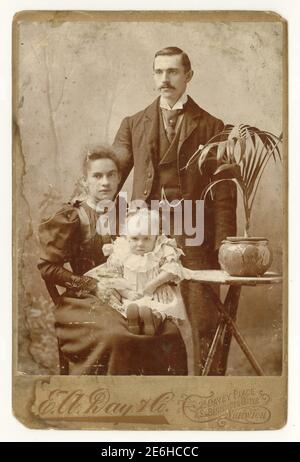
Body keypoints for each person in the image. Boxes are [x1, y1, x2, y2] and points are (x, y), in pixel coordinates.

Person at [113, 46, 237, 374]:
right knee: (148, 325)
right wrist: (91, 214)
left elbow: (224, 194)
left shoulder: (213, 127)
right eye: (158, 72)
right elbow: (108, 179)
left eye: (172, 72)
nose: (164, 79)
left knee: (202, 325)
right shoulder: (133, 124)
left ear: (188, 76)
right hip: (145, 246)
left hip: (195, 242)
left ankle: (208, 399)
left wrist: (224, 246)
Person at [38, 146, 187, 375]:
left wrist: (162, 280)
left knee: (170, 334)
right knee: (117, 337)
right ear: (85, 181)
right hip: (85, 300)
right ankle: (111, 403)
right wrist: (92, 285)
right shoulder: (73, 216)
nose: (105, 182)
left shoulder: (132, 215)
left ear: (119, 177)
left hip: (134, 292)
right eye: (97, 176)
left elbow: (158, 248)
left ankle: (158, 403)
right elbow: (48, 268)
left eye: (111, 174)